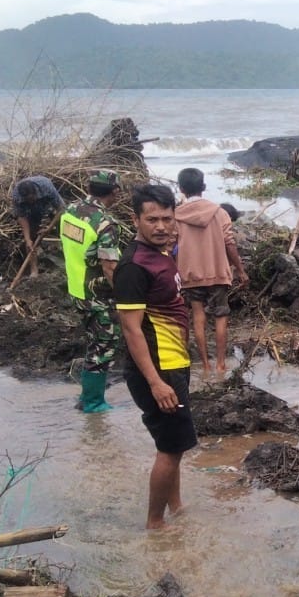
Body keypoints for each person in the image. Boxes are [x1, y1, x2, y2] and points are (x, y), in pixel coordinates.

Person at [115, 184, 196, 529]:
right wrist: (156, 383)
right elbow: (131, 330)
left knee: (173, 445)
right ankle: (156, 525)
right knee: (170, 448)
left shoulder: (161, 254)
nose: (161, 226)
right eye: (152, 220)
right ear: (136, 219)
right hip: (158, 369)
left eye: (167, 218)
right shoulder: (134, 266)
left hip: (174, 362)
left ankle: (175, 506)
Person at [174, 167, 249, 376]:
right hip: (217, 272)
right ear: (203, 187)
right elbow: (229, 243)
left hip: (190, 274)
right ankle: (221, 365)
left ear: (181, 189)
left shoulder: (176, 215)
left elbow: (171, 245)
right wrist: (240, 270)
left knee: (198, 317)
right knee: (221, 316)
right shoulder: (219, 212)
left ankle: (206, 366)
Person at [61, 170, 125, 412]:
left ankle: (86, 396)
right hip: (97, 295)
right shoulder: (105, 223)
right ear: (115, 191)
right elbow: (109, 267)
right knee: (105, 344)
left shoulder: (70, 210)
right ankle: (93, 403)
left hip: (76, 288)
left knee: (94, 341)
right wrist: (124, 295)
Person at [10, 175, 63, 278]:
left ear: (35, 193)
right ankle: (34, 271)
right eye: (27, 200)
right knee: (31, 241)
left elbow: (61, 209)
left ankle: (64, 260)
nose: (30, 201)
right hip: (31, 211)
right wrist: (27, 239)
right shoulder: (17, 196)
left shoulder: (46, 186)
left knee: (63, 228)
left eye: (31, 198)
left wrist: (49, 228)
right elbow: (21, 217)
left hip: (48, 205)